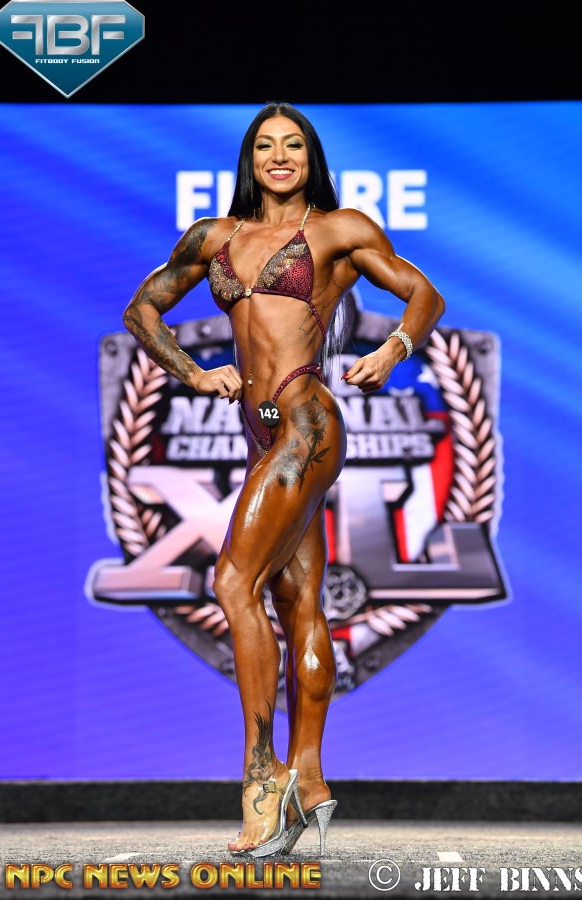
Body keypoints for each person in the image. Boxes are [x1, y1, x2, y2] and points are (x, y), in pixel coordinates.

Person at [123, 102, 446, 857]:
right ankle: (311, 778)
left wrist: (393, 349)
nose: (279, 156)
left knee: (233, 582)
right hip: (261, 434)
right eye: (265, 145)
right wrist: (193, 372)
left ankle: (261, 781)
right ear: (249, 159)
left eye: (293, 145)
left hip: (307, 423)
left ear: (310, 158)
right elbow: (142, 311)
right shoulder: (214, 238)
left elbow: (424, 295)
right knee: (297, 603)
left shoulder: (338, 230)